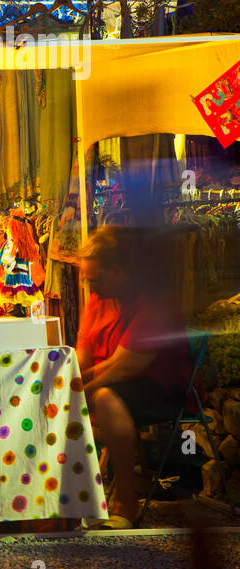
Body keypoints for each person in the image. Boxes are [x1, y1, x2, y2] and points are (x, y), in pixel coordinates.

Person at [77, 226, 191, 529]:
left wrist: (80, 391)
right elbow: (84, 355)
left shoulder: (155, 302)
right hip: (117, 382)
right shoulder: (98, 299)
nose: (92, 287)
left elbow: (123, 367)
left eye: (96, 278)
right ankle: (74, 498)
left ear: (119, 271)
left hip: (162, 388)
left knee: (103, 398)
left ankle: (125, 503)